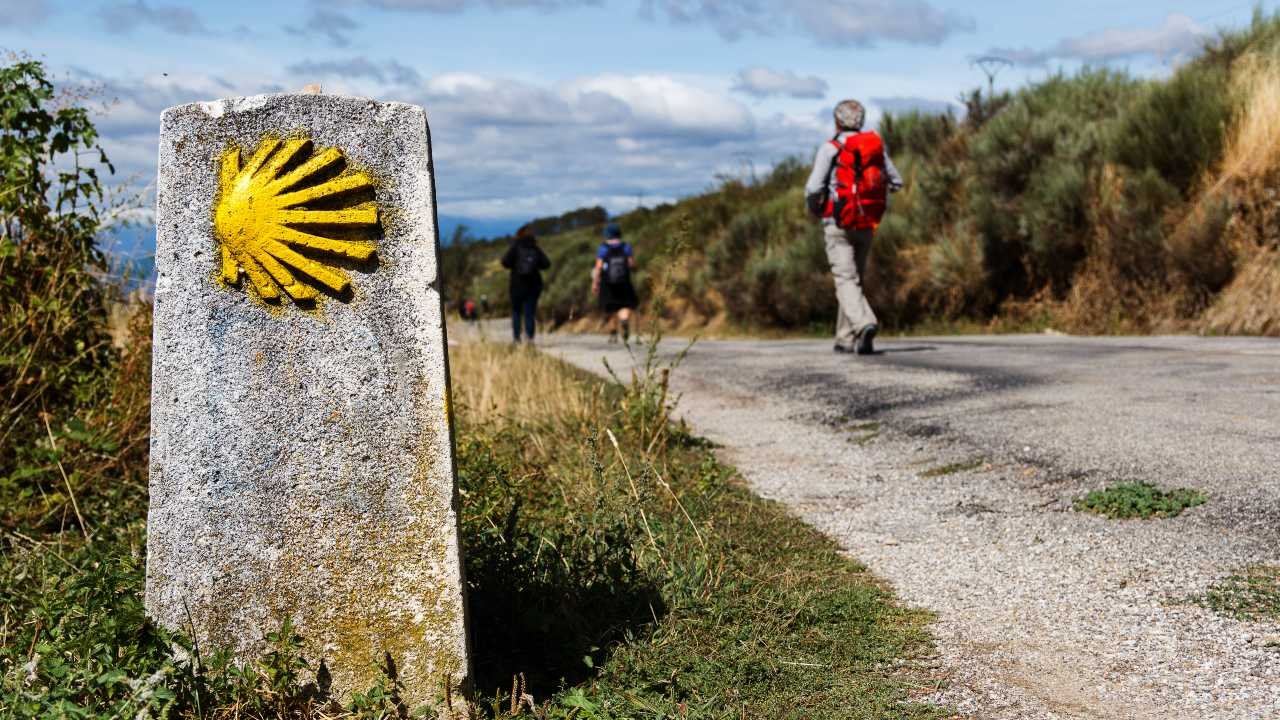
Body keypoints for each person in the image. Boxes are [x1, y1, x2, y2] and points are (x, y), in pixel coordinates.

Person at [804, 99, 903, 356]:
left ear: (837, 121)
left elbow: (814, 188)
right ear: (861, 120)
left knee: (845, 280)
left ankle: (864, 324)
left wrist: (816, 208)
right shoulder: (874, 148)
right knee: (854, 281)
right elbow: (896, 181)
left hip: (837, 223)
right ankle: (845, 339)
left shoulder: (831, 148)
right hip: (867, 222)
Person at [500, 224, 551, 343]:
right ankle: (530, 338)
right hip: (533, 285)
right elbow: (547, 264)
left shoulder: (515, 246)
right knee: (530, 312)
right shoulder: (535, 248)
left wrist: (515, 266)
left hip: (516, 284)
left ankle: (516, 338)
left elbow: (505, 262)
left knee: (516, 312)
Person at [592, 222, 638, 343]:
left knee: (611, 308)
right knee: (625, 305)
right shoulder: (626, 246)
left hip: (607, 283)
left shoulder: (603, 248)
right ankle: (624, 320)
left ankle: (613, 333)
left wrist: (595, 283)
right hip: (624, 281)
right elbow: (632, 264)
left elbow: (598, 267)